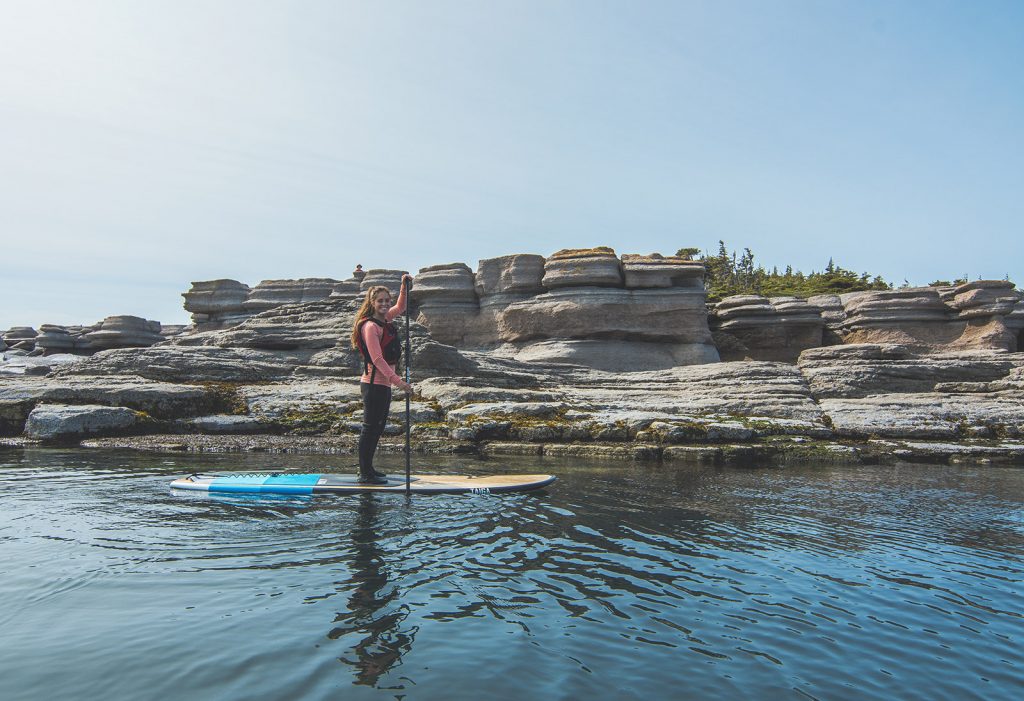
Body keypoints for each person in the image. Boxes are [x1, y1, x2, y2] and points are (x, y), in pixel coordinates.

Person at [350, 275, 413, 484]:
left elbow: (401, 307)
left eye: (387, 300)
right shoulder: (371, 327)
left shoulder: (386, 320)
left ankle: (369, 469)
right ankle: (364, 472)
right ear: (372, 303)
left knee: (378, 427)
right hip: (372, 385)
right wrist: (400, 383)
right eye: (381, 301)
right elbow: (377, 359)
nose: (385, 304)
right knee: (370, 428)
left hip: (384, 385)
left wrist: (404, 286)